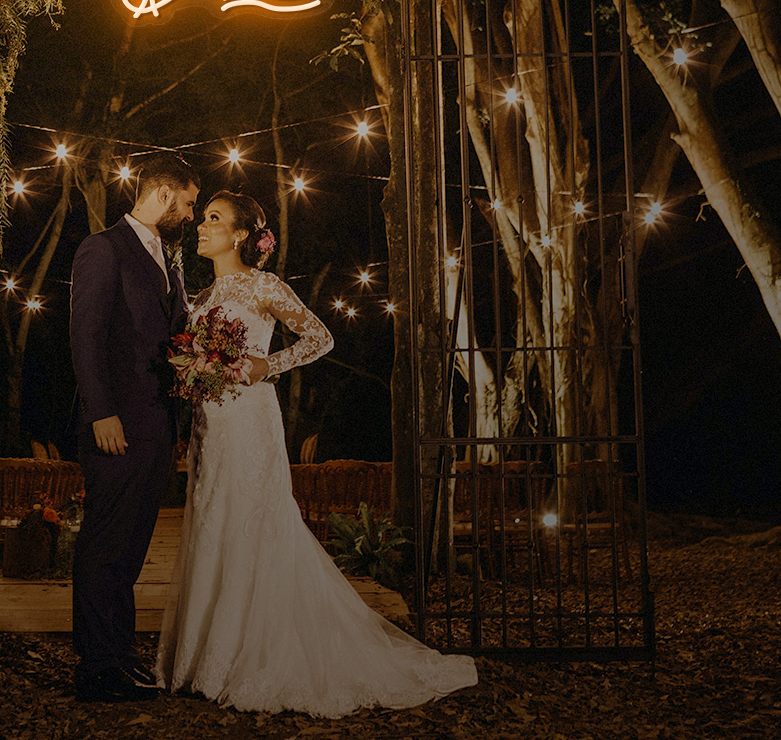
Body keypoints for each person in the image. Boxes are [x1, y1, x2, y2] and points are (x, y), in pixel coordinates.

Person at [155, 190, 478, 717]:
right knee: (213, 522)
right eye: (203, 218)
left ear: (240, 234)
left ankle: (255, 653)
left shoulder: (265, 286)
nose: (201, 226)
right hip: (210, 426)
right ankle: (205, 656)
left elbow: (319, 337)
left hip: (250, 421)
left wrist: (269, 365)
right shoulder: (205, 295)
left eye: (213, 218)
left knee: (251, 523)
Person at [69, 151, 200, 703]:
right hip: (115, 424)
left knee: (130, 550)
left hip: (155, 426)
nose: (191, 216)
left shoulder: (168, 259)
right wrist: (101, 411)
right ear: (164, 194)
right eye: (188, 204)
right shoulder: (103, 248)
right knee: (104, 544)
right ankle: (97, 667)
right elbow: (86, 335)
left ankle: (121, 655)